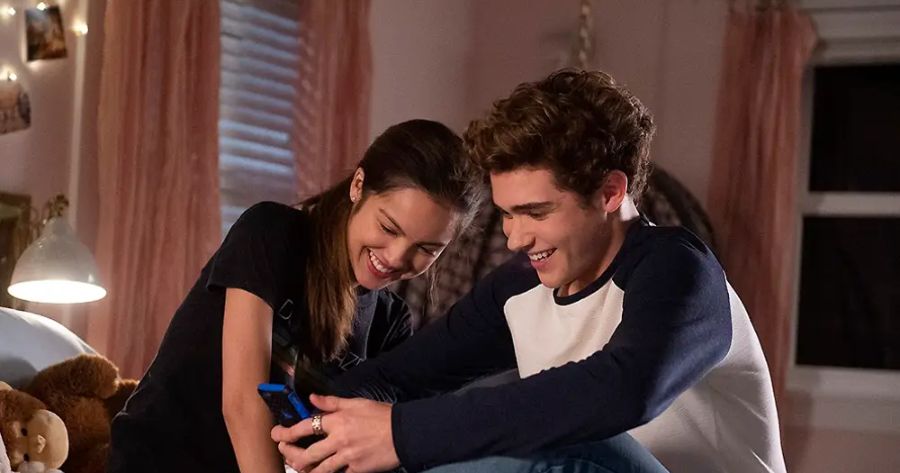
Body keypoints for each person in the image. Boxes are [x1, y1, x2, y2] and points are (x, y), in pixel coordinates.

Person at [272, 70, 787, 473]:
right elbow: (398, 377)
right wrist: (309, 420)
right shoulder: (521, 287)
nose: (516, 239)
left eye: (536, 213)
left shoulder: (678, 270)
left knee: (567, 446)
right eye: (506, 214)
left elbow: (622, 390)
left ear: (610, 192)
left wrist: (401, 434)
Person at [107, 119, 484, 473]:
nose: (397, 257)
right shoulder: (270, 233)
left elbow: (357, 448)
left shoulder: (390, 321)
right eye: (388, 227)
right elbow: (243, 403)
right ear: (358, 185)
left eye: (426, 249)